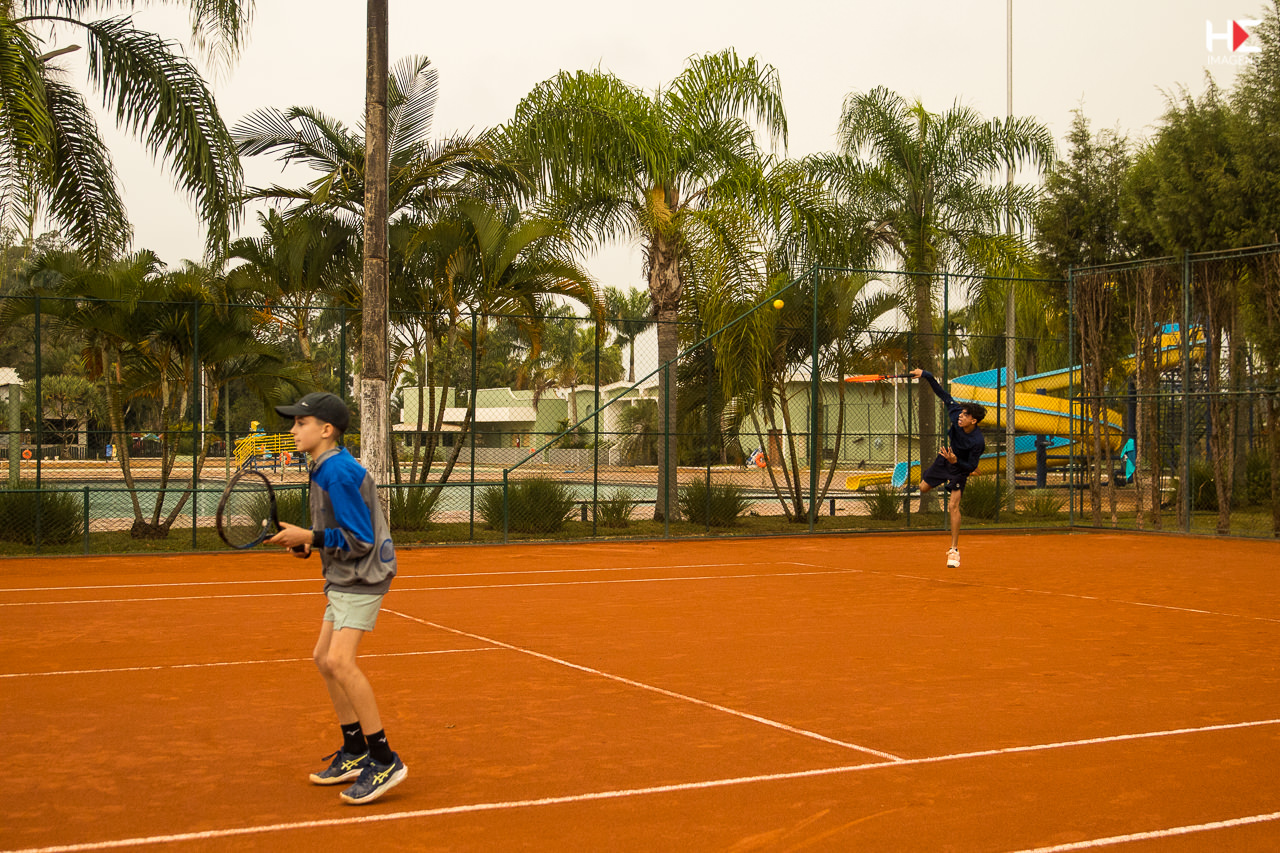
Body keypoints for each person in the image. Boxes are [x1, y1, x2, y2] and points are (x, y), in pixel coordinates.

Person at [266, 391, 406, 805]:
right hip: (346, 574)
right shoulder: (325, 467)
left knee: (340, 661)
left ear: (326, 430)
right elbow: (338, 532)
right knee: (324, 658)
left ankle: (385, 760)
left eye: (301, 423)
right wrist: (309, 542)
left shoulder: (339, 472)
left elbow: (360, 539)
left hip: (363, 576)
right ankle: (355, 749)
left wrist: (311, 536)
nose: (294, 430)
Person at [908, 369, 987, 568]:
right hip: (945, 459)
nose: (961, 416)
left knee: (953, 506)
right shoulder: (956, 416)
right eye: (961, 413)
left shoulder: (977, 442)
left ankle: (954, 550)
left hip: (960, 468)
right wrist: (925, 374)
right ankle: (945, 480)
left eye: (965, 415)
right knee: (923, 488)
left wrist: (956, 463)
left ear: (973, 421)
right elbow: (943, 394)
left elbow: (971, 466)